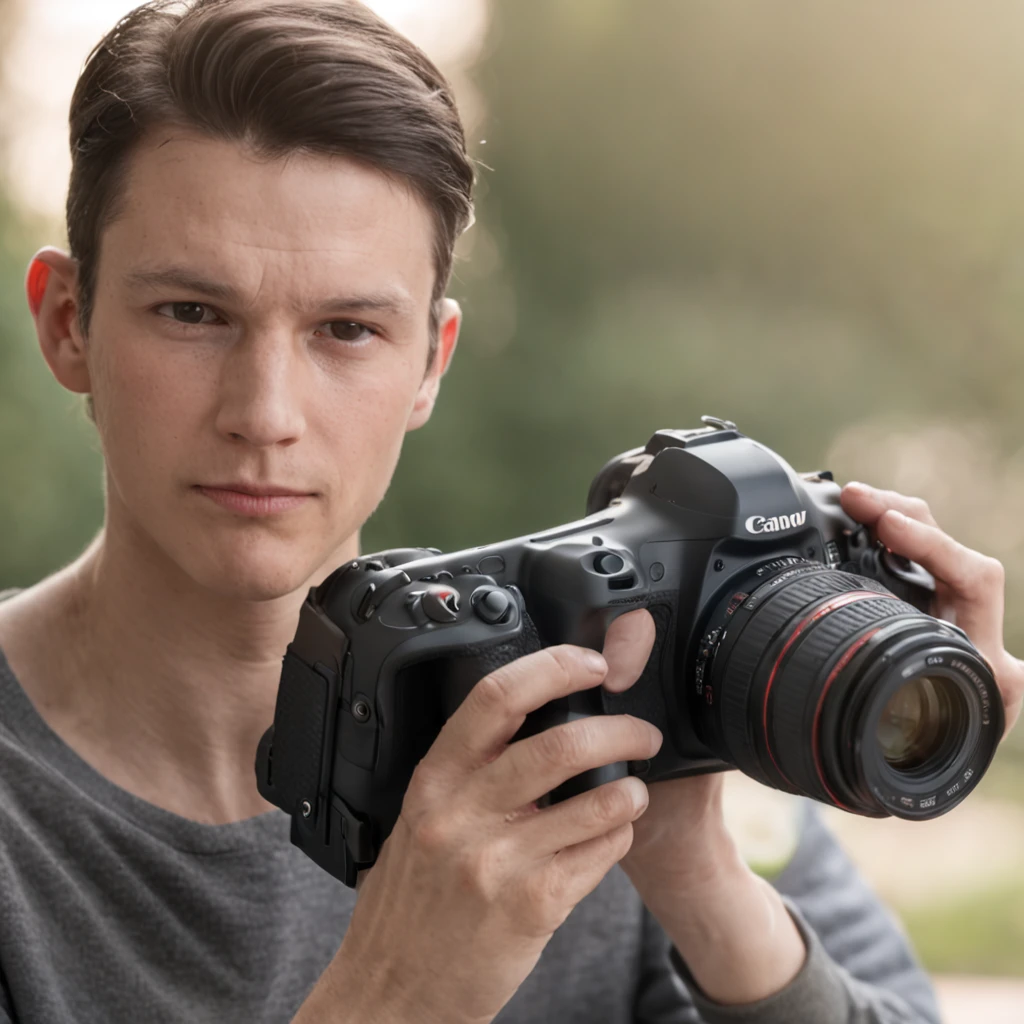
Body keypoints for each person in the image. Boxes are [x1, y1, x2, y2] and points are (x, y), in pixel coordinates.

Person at [0, 1, 1020, 1021]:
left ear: (429, 364)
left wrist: (695, 876)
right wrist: (397, 995)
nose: (264, 413)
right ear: (66, 324)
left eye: (347, 330)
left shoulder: (581, 705)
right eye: (192, 313)